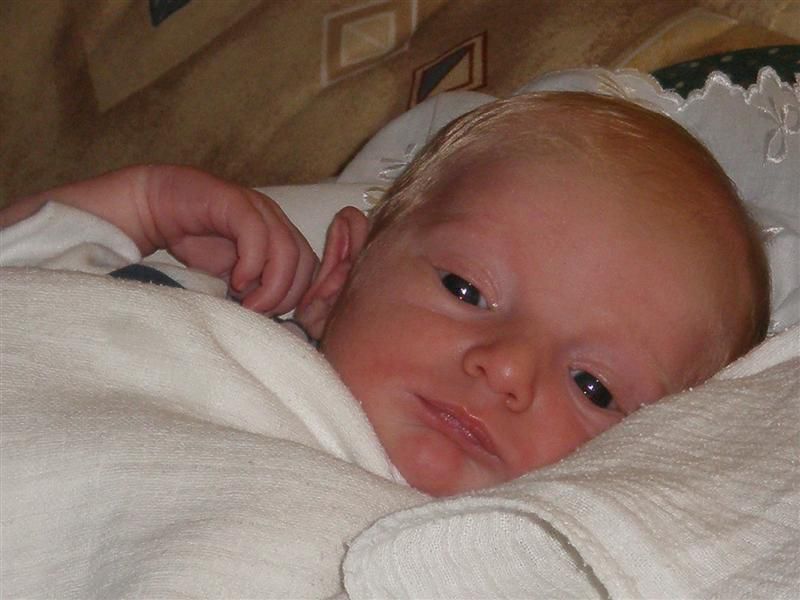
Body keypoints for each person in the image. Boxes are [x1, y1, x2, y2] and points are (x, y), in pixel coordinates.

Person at [0, 91, 770, 497]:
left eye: (593, 386)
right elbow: (25, 305)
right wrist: (141, 207)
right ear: (341, 278)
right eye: (466, 289)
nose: (507, 368)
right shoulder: (204, 325)